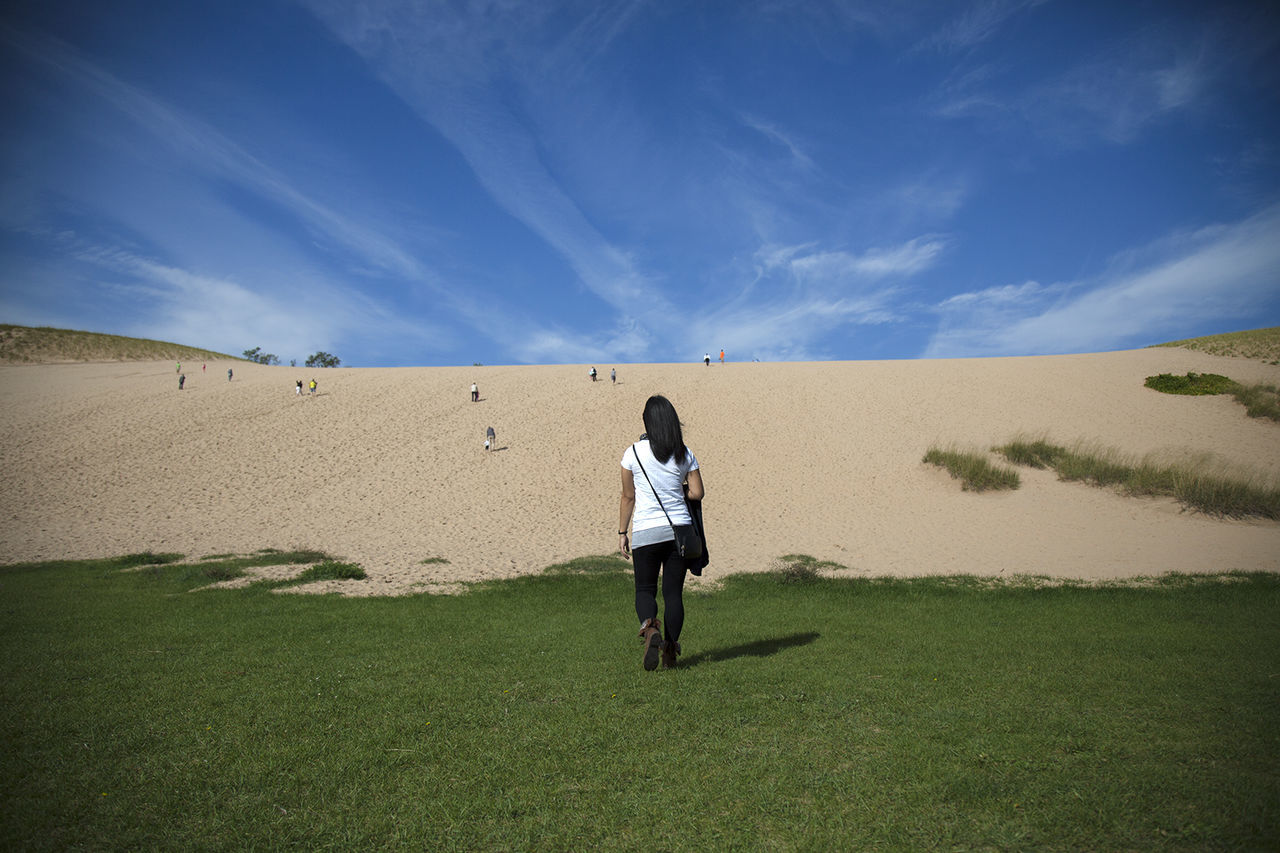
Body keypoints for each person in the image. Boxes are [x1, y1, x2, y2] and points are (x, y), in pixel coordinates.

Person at [618, 395, 705, 671]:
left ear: (647, 422)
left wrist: (622, 532)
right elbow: (697, 492)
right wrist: (677, 489)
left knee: (645, 589)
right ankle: (670, 650)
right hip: (678, 531)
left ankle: (649, 628)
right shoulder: (684, 453)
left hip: (645, 531)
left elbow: (628, 497)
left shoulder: (632, 453)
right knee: (673, 594)